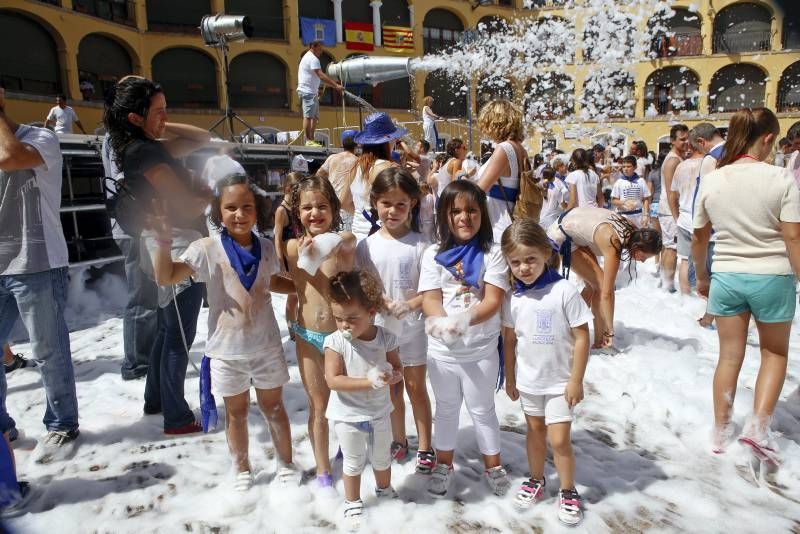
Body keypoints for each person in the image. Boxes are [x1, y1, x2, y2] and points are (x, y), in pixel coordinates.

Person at [150, 175, 299, 489]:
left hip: (266, 346)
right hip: (227, 352)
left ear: (257, 211)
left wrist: (307, 286)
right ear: (218, 213)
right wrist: (162, 241)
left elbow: (271, 281)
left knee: (274, 407)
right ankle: (242, 468)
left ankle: (285, 463)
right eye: (230, 208)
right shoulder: (205, 249)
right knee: (237, 413)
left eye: (247, 207)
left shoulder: (268, 248)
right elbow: (166, 276)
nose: (239, 214)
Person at [692, 108, 800, 461]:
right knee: (774, 353)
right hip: (772, 276)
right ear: (768, 138)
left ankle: (721, 431)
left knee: (728, 357)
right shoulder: (782, 178)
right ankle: (757, 429)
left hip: (727, 275)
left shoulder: (713, 178)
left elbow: (699, 236)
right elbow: (794, 238)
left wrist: (703, 277)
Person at [104, 77, 211, 380]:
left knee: (168, 329)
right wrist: (215, 195)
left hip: (170, 243)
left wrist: (161, 120)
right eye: (159, 111)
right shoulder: (144, 152)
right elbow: (186, 205)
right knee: (177, 336)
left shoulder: (148, 147)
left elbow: (202, 137)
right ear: (135, 118)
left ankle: (156, 399)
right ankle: (175, 414)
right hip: (174, 246)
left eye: (167, 108)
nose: (166, 115)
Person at [0, 83, 80, 459]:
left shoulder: (41, 137)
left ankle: (62, 422)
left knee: (49, 350)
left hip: (39, 263)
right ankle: (3, 427)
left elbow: (10, 156)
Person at [419, 180, 511, 498]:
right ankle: (444, 463)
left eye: (471, 210)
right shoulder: (433, 254)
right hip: (442, 353)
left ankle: (493, 465)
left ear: (482, 214)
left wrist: (465, 320)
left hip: (481, 350)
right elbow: (430, 298)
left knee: (483, 409)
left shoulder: (494, 253)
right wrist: (442, 324)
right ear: (444, 216)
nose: (464, 217)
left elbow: (492, 300)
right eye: (455, 211)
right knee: (445, 409)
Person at [500, 219, 591, 525]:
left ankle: (568, 490)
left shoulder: (563, 290)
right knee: (535, 432)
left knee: (560, 440)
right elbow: (509, 340)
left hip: (560, 383)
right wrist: (510, 378)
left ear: (545, 254)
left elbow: (582, 336)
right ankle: (536, 479)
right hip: (529, 382)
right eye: (516, 262)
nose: (524, 268)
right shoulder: (513, 298)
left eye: (530, 260)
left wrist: (576, 380)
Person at [355, 168, 433, 473]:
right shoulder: (367, 246)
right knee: (392, 388)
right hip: (382, 332)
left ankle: (425, 445)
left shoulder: (421, 245)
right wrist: (380, 301)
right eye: (386, 203)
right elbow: (364, 284)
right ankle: (398, 439)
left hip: (414, 330)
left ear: (412, 204)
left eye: (401, 204)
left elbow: (430, 291)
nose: (393, 211)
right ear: (375, 202)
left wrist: (410, 304)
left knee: (416, 387)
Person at [283, 175, 356, 488]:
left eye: (322, 206)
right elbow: (295, 273)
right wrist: (305, 252)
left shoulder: (340, 245)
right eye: (307, 208)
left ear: (334, 209)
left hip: (341, 339)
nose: (315, 213)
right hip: (309, 337)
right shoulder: (291, 247)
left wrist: (335, 242)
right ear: (297, 213)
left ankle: (346, 451)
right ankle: (323, 470)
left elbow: (351, 241)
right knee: (319, 405)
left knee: (347, 403)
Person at [323, 270, 403, 529]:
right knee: (353, 460)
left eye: (351, 319)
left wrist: (392, 376)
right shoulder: (335, 342)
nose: (344, 325)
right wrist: (368, 382)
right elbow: (333, 380)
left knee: (382, 457)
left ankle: (384, 489)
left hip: (380, 411)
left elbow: (398, 368)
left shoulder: (385, 338)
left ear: (371, 312)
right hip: (348, 415)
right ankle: (353, 501)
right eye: (338, 319)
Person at [546, 207, 662, 351]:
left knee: (592, 286)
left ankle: (568, 328)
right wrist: (610, 330)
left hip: (570, 225)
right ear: (637, 247)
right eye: (644, 256)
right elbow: (607, 293)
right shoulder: (614, 242)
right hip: (560, 235)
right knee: (600, 287)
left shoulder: (635, 232)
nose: (643, 261)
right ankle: (599, 339)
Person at [345, 113, 403, 242]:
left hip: (358, 235)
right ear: (387, 140)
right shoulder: (388, 167)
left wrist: (363, 212)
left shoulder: (355, 166)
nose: (395, 141)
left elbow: (344, 202)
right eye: (394, 138)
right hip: (379, 236)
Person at [475, 99, 527, 241]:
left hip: (497, 223)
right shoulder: (520, 148)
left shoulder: (504, 148)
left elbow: (478, 191)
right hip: (511, 219)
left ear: (495, 122)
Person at [669, 142, 704, 295]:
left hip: (683, 217)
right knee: (703, 260)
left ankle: (685, 297)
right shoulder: (709, 163)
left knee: (684, 260)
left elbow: (673, 194)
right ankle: (702, 299)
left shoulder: (681, 166)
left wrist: (676, 216)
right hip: (702, 219)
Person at [656, 124, 688, 292]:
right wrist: (676, 216)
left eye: (687, 138)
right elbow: (671, 192)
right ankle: (667, 286)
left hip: (671, 210)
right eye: (682, 139)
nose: (686, 142)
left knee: (670, 247)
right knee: (671, 248)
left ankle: (665, 282)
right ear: (673, 141)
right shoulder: (673, 160)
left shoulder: (678, 158)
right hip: (670, 211)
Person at [297, 41, 343, 147]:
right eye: (320, 49)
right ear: (313, 47)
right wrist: (336, 86)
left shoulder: (307, 57)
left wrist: (322, 87)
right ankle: (308, 141)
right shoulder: (313, 58)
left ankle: (311, 140)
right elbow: (320, 75)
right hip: (307, 91)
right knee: (308, 116)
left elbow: (316, 77)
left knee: (315, 117)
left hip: (311, 92)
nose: (321, 52)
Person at [274, 171, 303, 336]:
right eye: (295, 189)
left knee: (299, 294)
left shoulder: (296, 207)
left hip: (298, 256)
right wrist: (280, 262)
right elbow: (277, 238)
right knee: (293, 295)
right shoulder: (282, 210)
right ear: (287, 188)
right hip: (288, 257)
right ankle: (292, 330)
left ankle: (297, 325)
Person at [317, 129, 359, 230]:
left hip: (332, 206)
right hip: (348, 206)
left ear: (342, 143)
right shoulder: (357, 161)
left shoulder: (332, 158)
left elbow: (318, 175)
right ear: (357, 143)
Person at [611, 155, 651, 228]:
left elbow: (646, 199)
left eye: (628, 166)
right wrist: (624, 202)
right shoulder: (619, 182)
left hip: (638, 216)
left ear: (635, 167)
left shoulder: (641, 181)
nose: (626, 169)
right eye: (624, 167)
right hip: (623, 216)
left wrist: (646, 215)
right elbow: (614, 200)